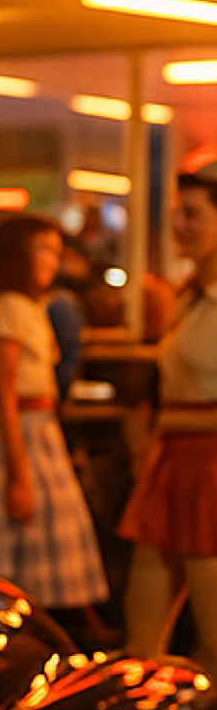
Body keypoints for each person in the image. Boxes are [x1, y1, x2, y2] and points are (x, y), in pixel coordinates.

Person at [0, 215, 109, 644]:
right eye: (43, 249)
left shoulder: (28, 305)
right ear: (18, 254)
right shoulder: (9, 307)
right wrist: (18, 474)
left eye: (56, 251)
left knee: (39, 554)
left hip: (34, 431)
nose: (53, 260)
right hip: (18, 436)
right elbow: (2, 391)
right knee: (27, 556)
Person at [121, 159, 217, 669]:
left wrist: (168, 423)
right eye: (179, 214)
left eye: (194, 215)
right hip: (169, 466)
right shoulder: (187, 297)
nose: (180, 225)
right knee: (140, 648)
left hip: (209, 471)